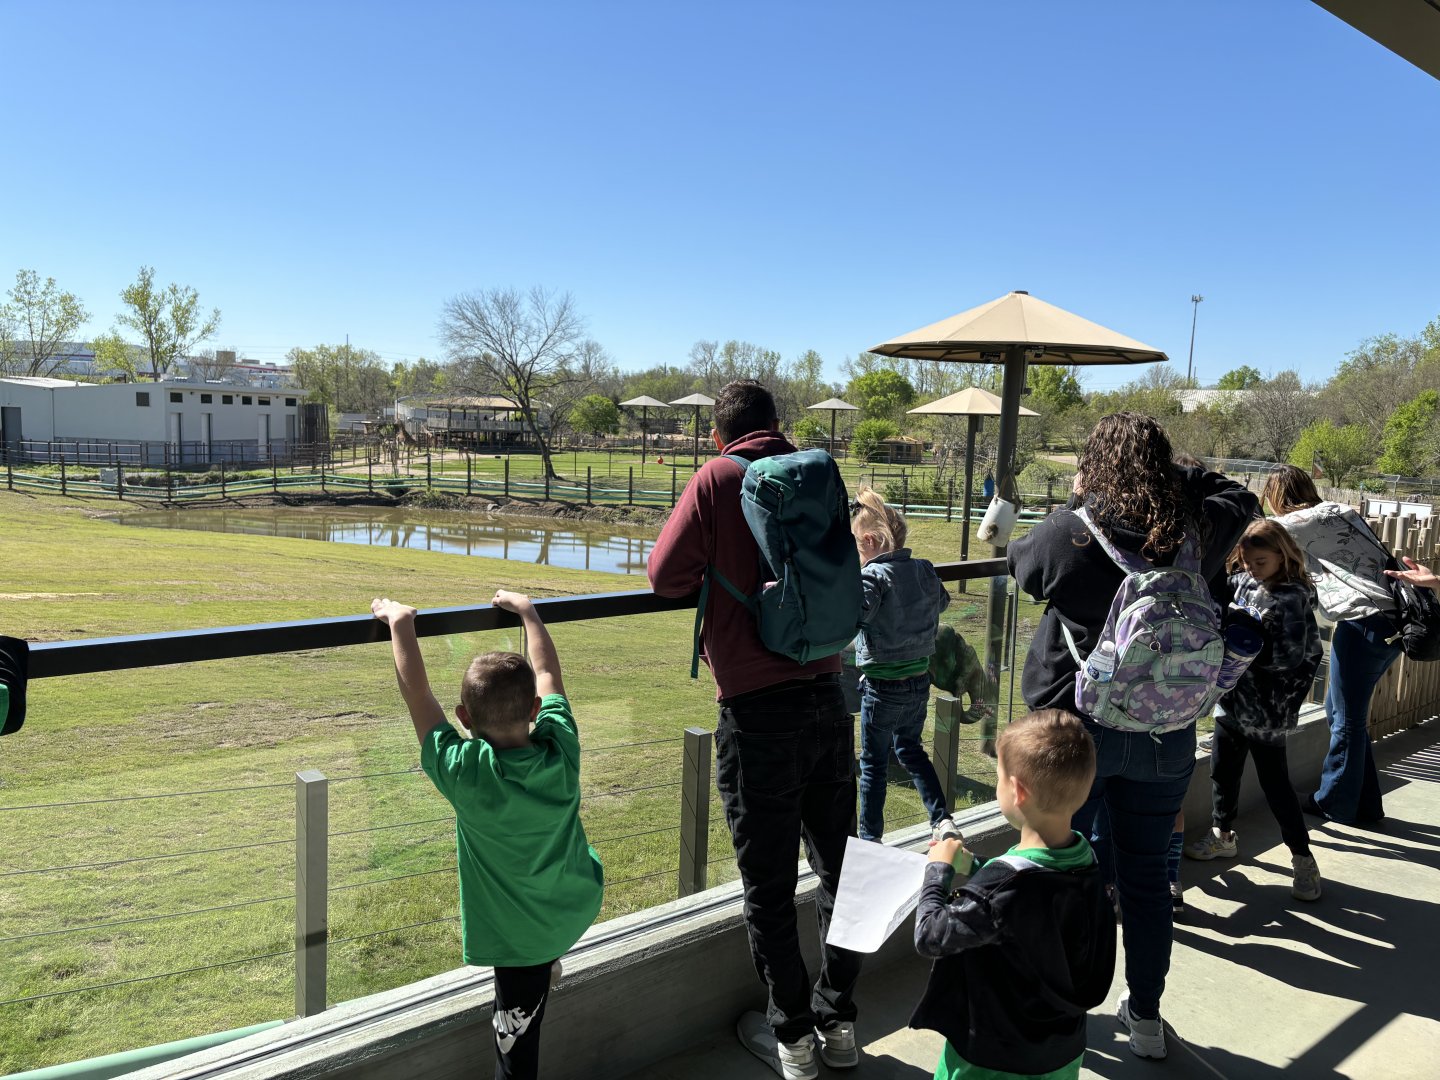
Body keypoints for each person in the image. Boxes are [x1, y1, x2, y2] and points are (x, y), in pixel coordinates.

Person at [1008, 412, 1256, 1059]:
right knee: (1147, 883)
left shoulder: (1071, 532)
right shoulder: (1199, 527)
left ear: (1095, 464)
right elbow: (1243, 495)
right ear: (1164, 465)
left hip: (1077, 733)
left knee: (1063, 870)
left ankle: (1059, 1008)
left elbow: (1021, 566)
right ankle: (1145, 1017)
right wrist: (1176, 476)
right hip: (1166, 735)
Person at [648, 380, 861, 1080]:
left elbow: (663, 575)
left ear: (720, 435)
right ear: (780, 425)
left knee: (767, 884)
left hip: (756, 709)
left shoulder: (716, 478)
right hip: (831, 692)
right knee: (841, 869)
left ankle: (793, 1039)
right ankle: (841, 1023)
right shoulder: (815, 472)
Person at [371, 591, 604, 1080]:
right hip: (571, 903)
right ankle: (545, 964)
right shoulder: (560, 745)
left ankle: (538, 973)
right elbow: (547, 674)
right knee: (535, 956)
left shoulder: (465, 771)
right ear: (536, 709)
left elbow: (418, 696)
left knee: (514, 1054)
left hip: (520, 940)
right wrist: (529, 613)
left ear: (465, 718)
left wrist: (400, 624)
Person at [911, 709, 1116, 1080]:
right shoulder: (1084, 858)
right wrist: (976, 869)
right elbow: (1033, 892)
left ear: (1017, 791)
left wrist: (937, 870)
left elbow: (931, 935)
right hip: (1060, 1051)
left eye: (999, 778)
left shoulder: (1004, 888)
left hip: (993, 1059)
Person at [1185, 519, 1324, 901]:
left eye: (1260, 561)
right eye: (1246, 560)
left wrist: (1248, 644)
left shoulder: (1292, 597)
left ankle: (1302, 858)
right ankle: (1222, 835)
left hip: (1267, 710)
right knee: (1222, 772)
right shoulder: (1243, 579)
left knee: (1276, 784)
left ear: (1283, 555)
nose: (1251, 568)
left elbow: (1289, 656)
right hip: (1232, 700)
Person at [1263, 466, 1401, 824]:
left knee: (1346, 718)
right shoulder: (1342, 511)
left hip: (1364, 622)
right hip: (1391, 619)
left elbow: (1254, 537)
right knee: (1343, 711)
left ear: (1277, 496)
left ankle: (1334, 802)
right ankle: (1366, 804)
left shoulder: (1295, 523)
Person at [849, 485, 959, 845]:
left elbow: (857, 614)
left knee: (873, 765)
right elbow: (941, 603)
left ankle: (870, 839)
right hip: (918, 683)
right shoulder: (924, 570)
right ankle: (941, 820)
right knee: (910, 749)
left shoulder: (872, 577)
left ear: (869, 540)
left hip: (881, 688)